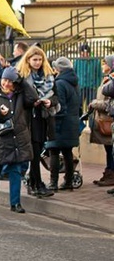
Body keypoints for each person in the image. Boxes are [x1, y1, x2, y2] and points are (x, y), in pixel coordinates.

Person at [0, 66, 37, 212]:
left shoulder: (20, 93)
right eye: (5, 80)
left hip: (17, 138)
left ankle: (15, 203)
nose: (6, 84)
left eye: (11, 81)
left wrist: (23, 81)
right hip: (0, 138)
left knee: (16, 170)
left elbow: (33, 99)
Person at [17, 46, 58, 198]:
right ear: (28, 60)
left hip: (43, 117)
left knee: (38, 149)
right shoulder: (22, 77)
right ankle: (37, 184)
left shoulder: (49, 76)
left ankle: (33, 182)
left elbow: (56, 97)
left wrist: (49, 102)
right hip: (29, 118)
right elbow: (18, 100)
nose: (37, 62)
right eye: (34, 59)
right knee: (33, 152)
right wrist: (31, 103)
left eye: (40, 59)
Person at [47, 57, 81, 191]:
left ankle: (53, 182)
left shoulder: (60, 83)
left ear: (59, 69)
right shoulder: (74, 82)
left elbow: (60, 105)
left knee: (54, 152)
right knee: (67, 152)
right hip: (72, 122)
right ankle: (68, 182)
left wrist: (53, 118)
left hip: (60, 123)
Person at [87, 55, 114, 186]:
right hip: (104, 120)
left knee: (111, 150)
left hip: (108, 119)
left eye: (105, 63)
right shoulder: (107, 80)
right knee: (108, 150)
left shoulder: (111, 81)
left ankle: (111, 174)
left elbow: (107, 103)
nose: (102, 66)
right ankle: (109, 172)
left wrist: (94, 103)